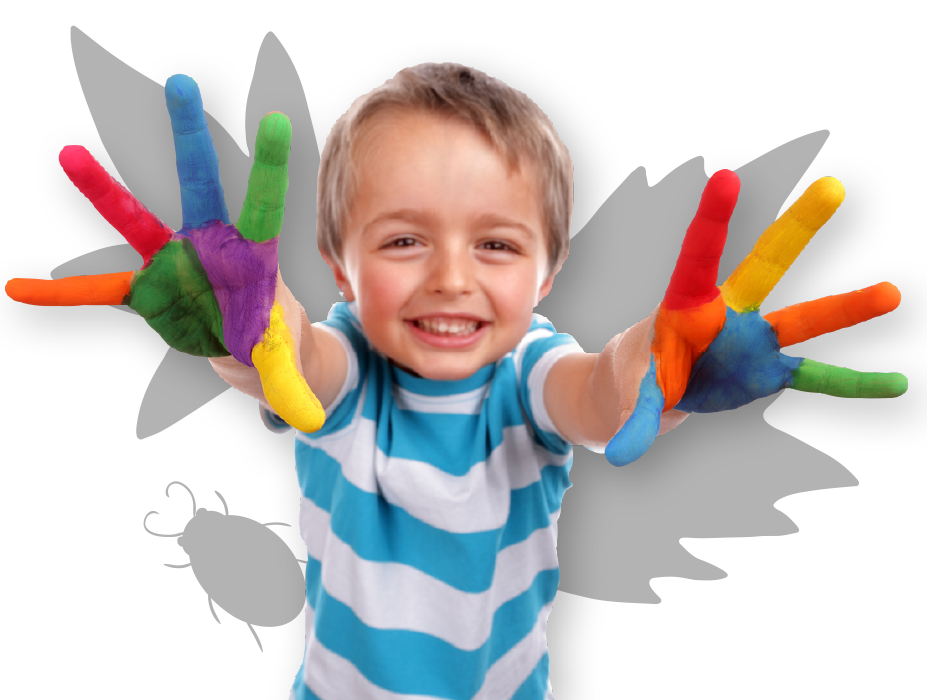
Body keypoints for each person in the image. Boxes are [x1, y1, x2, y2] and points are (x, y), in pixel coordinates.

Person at [6, 62, 904, 700]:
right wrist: (247, 323)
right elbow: (292, 363)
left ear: (548, 273)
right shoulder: (345, 359)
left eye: (497, 244)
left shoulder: (532, 368)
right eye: (403, 239)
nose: (450, 277)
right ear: (340, 266)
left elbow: (594, 392)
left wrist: (656, 362)